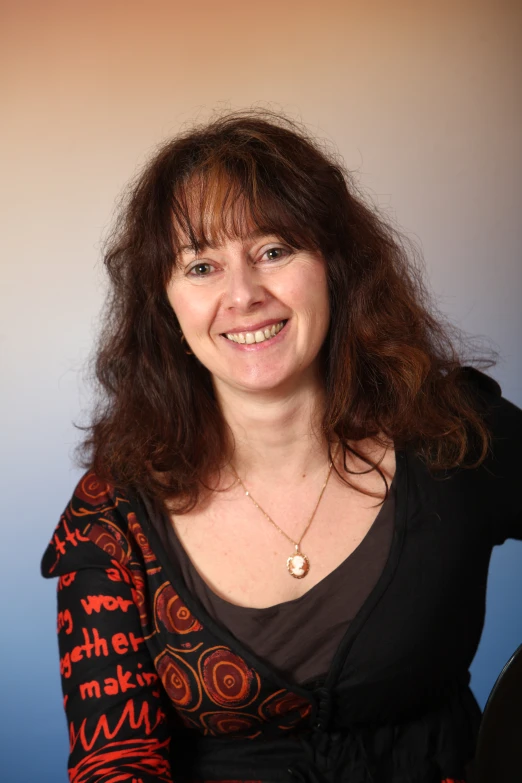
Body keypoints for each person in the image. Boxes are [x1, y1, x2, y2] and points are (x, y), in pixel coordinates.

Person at [41, 110, 522, 783]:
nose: (244, 295)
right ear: (167, 306)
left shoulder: (453, 430)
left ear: (333, 265)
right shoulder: (113, 512)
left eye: (273, 250)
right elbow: (115, 762)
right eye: (202, 265)